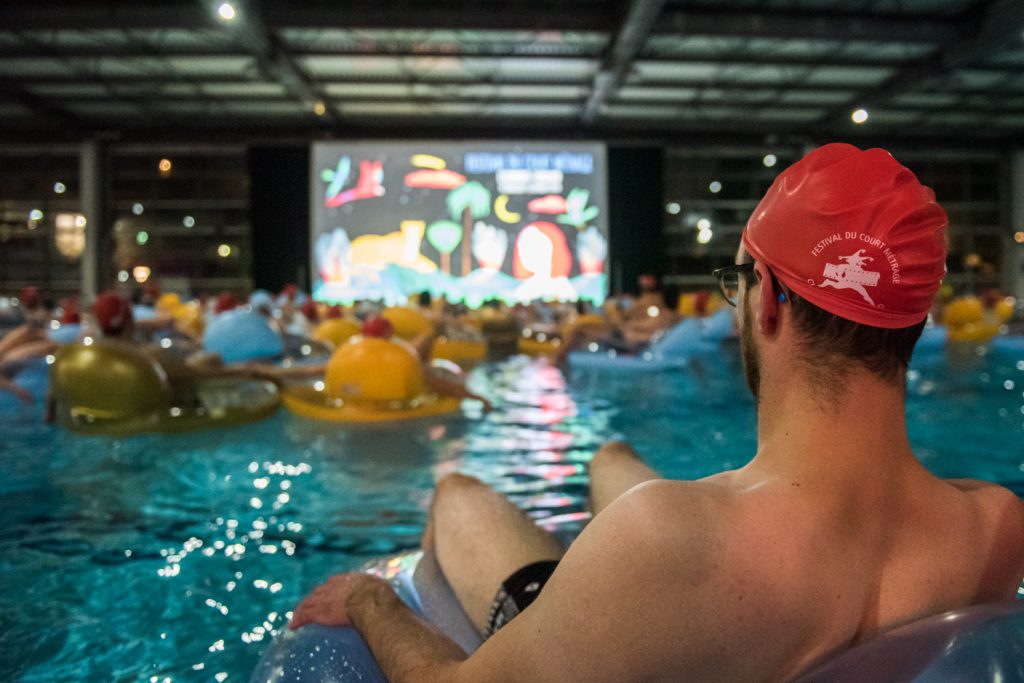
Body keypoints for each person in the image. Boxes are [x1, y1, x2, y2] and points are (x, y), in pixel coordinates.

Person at [289, 144, 1024, 682]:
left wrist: (370, 599)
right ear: (917, 320)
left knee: (458, 495)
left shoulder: (662, 539)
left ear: (766, 297)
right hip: (716, 570)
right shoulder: (993, 527)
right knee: (611, 461)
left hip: (648, 603)